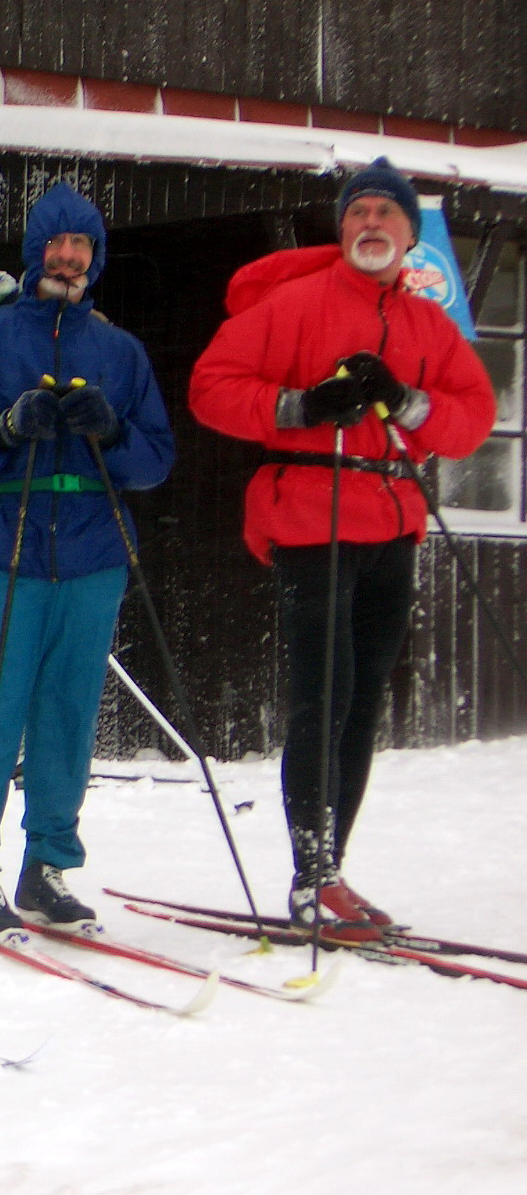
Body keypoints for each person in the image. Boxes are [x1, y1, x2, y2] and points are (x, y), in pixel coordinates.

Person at [189, 157, 494, 937]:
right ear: (343, 226)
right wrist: (303, 404)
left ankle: (332, 869)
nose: (370, 225)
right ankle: (311, 875)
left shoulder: (427, 323)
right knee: (322, 697)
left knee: (360, 704)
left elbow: (473, 417)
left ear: (409, 235)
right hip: (311, 517)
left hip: (392, 523)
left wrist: (408, 402)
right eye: (358, 212)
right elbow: (212, 387)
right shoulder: (295, 303)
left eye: (386, 215)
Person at [0, 183, 174, 940]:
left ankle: (48, 864)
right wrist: (2, 427)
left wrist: (111, 432)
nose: (68, 258)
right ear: (36, 253)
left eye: (81, 245)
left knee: (68, 714)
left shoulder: (120, 351)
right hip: (11, 547)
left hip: (94, 554)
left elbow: (155, 458)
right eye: (56, 245)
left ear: (95, 257)